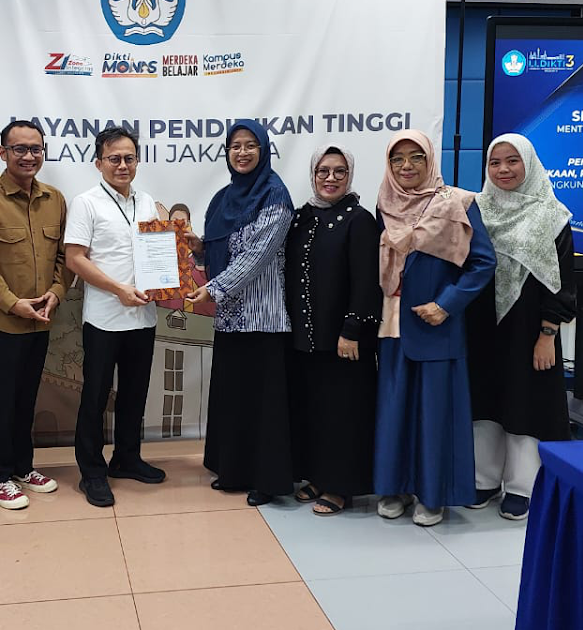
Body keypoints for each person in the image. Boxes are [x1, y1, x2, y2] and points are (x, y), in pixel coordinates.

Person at [373, 129, 496, 527]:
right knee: (395, 410)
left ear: (430, 161)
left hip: (436, 326)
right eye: (397, 159)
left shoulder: (457, 202)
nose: (406, 166)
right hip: (392, 327)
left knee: (435, 414)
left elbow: (483, 262)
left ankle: (432, 494)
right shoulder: (384, 204)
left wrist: (446, 305)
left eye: (416, 157)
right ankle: (394, 487)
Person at [465, 133, 575, 521]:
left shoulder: (552, 216)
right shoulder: (476, 210)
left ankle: (521, 486)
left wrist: (548, 333)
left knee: (524, 400)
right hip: (482, 325)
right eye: (495, 162)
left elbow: (562, 282)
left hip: (529, 328)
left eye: (513, 161)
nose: (503, 170)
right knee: (484, 400)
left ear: (529, 164)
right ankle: (483, 479)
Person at [185, 119, 294, 506]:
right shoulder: (223, 198)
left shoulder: (275, 196)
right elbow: (223, 250)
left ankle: (266, 480)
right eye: (235, 146)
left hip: (263, 318)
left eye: (250, 145)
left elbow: (256, 256)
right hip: (229, 318)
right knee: (234, 398)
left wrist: (212, 289)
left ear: (263, 150)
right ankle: (233, 470)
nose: (242, 152)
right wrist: (199, 248)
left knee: (263, 404)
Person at [0, 120, 67, 510]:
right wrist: (11, 302)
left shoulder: (54, 199)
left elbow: (64, 257)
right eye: (19, 149)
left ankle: (23, 467)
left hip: (42, 319)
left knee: (27, 398)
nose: (28, 156)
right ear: (3, 152)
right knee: (2, 401)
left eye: (35, 149)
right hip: (6, 321)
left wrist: (56, 293)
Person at [64, 126, 166, 507]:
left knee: (135, 392)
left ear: (137, 161)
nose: (122, 165)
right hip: (105, 318)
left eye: (129, 158)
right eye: (114, 158)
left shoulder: (148, 202)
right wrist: (118, 289)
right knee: (95, 395)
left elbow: (158, 253)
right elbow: (75, 259)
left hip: (144, 316)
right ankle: (92, 471)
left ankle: (127, 458)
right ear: (99, 163)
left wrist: (164, 283)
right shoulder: (86, 203)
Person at [286, 144, 381, 516]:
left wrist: (352, 329)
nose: (330, 178)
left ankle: (342, 486)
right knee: (315, 410)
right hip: (306, 339)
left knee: (344, 414)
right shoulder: (302, 218)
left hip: (343, 340)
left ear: (349, 175)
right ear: (313, 174)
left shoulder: (359, 220)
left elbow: (367, 281)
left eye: (339, 171)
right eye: (323, 171)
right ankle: (318, 475)